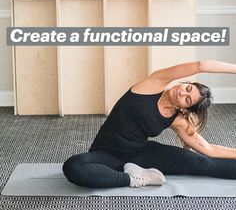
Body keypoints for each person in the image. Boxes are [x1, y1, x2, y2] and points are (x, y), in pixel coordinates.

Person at [63, 60, 236, 188]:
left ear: (185, 109)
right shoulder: (154, 83)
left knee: (203, 164)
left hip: (141, 154)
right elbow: (201, 65)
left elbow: (209, 150)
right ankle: (135, 179)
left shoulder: (178, 119)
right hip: (105, 153)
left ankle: (129, 172)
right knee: (73, 166)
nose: (182, 92)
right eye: (188, 88)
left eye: (187, 99)